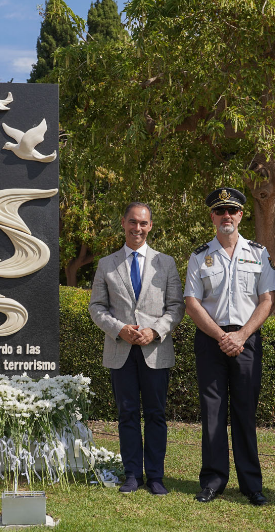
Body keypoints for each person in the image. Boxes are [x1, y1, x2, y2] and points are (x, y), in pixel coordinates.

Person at [184, 187, 275, 506]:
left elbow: (267, 299)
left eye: (232, 210)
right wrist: (221, 336)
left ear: (241, 215)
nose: (227, 216)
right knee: (212, 413)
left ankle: (252, 485)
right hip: (211, 341)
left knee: (244, 412)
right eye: (220, 211)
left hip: (247, 340)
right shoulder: (199, 256)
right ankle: (213, 481)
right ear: (212, 216)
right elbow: (192, 303)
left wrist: (241, 335)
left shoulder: (258, 252)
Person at [88, 203, 185, 495]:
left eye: (143, 223)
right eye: (133, 222)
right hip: (121, 351)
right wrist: (119, 329)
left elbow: (176, 307)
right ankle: (132, 474)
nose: (137, 228)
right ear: (123, 223)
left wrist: (154, 331)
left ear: (151, 226)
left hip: (155, 351)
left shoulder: (166, 263)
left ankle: (155, 476)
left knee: (156, 414)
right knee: (127, 414)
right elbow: (96, 307)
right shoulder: (107, 263)